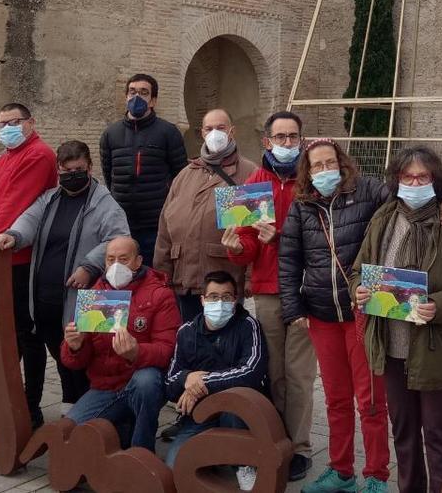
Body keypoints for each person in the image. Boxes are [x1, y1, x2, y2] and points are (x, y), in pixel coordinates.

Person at [278, 139, 442, 493]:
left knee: (372, 401)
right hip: (320, 314)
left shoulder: (368, 191)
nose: (325, 170)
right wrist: (293, 307)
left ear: (342, 162)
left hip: (363, 313)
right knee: (336, 399)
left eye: (330, 162)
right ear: (307, 171)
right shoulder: (302, 205)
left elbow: (408, 194)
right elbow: (289, 259)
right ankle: (341, 470)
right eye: (317, 165)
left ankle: (376, 474)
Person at [352, 146, 442, 493]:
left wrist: (438, 305)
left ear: (435, 181)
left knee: (439, 435)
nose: (414, 182)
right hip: (391, 349)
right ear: (397, 180)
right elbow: (359, 270)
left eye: (423, 176)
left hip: (435, 350)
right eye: (407, 176)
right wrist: (358, 290)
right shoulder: (382, 221)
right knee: (404, 433)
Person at [0, 140, 130, 414]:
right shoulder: (50, 198)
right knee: (62, 353)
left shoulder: (105, 204)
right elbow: (29, 219)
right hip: (47, 296)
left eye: (79, 169)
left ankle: (95, 412)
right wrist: (13, 235)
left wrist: (89, 266)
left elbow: (119, 240)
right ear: (59, 170)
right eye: (67, 170)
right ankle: (71, 410)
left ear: (90, 167)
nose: (73, 175)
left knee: (86, 354)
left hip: (88, 297)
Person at [222, 111, 316, 482]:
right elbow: (245, 247)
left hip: (307, 289)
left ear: (302, 141)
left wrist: (277, 239)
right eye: (281, 137)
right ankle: (277, 441)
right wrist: (235, 247)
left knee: (300, 374)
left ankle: (301, 448)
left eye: (293, 137)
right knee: (275, 371)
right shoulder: (253, 185)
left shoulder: (312, 184)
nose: (288, 144)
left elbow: (323, 240)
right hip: (267, 289)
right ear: (267, 141)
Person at [0, 102, 59, 426]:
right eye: (1, 122)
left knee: (26, 333)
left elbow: (14, 206)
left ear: (30, 122)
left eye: (14, 122)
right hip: (1, 258)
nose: (7, 128)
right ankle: (6, 395)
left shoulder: (38, 155)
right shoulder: (4, 158)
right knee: (4, 332)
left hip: (19, 259)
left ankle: (30, 407)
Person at [60, 236, 181, 450]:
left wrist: (136, 352)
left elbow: (168, 350)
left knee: (147, 380)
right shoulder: (96, 295)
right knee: (70, 433)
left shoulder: (160, 294)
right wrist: (75, 346)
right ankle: (122, 424)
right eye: (110, 259)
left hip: (139, 382)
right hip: (105, 387)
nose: (116, 266)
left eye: (123, 259)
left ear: (138, 261)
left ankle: (142, 451)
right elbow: (74, 362)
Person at [164, 270, 268, 491]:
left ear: (235, 299)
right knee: (175, 468)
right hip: (199, 416)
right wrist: (187, 377)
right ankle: (212, 460)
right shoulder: (186, 332)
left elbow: (251, 373)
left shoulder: (248, 326)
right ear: (202, 300)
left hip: (237, 413)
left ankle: (244, 463)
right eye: (213, 297)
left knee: (235, 406)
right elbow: (170, 383)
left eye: (227, 297)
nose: (219, 302)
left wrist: (201, 383)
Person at [155, 108, 256, 322]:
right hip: (184, 280)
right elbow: (165, 226)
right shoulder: (185, 174)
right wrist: (162, 273)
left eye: (221, 128)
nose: (215, 133)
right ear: (202, 133)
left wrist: (250, 278)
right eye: (209, 128)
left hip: (224, 280)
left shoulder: (249, 173)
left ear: (232, 131)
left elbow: (257, 232)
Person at [100, 74, 188, 264]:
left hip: (155, 224)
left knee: (153, 274)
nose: (136, 97)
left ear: (153, 100)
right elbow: (109, 175)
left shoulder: (168, 132)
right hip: (122, 223)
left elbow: (180, 176)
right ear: (126, 97)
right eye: (132, 92)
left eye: (143, 92)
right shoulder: (110, 134)